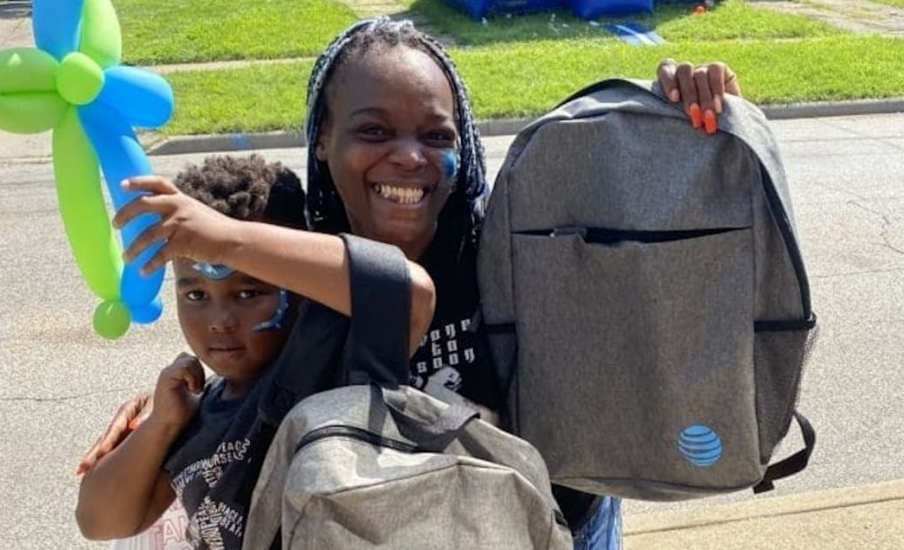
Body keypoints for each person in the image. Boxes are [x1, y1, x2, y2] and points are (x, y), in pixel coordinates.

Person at [78, 17, 743, 550]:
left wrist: (682, 119)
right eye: (372, 130)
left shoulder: (522, 246)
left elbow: (665, 252)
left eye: (435, 135)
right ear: (322, 139)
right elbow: (245, 340)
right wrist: (162, 418)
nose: (408, 156)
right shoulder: (297, 263)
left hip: (554, 525)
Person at [75, 154, 436, 550]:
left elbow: (409, 293)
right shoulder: (196, 406)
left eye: (248, 293)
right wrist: (161, 423)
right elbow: (99, 522)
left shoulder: (331, 367)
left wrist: (230, 241)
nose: (219, 320)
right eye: (195, 295)